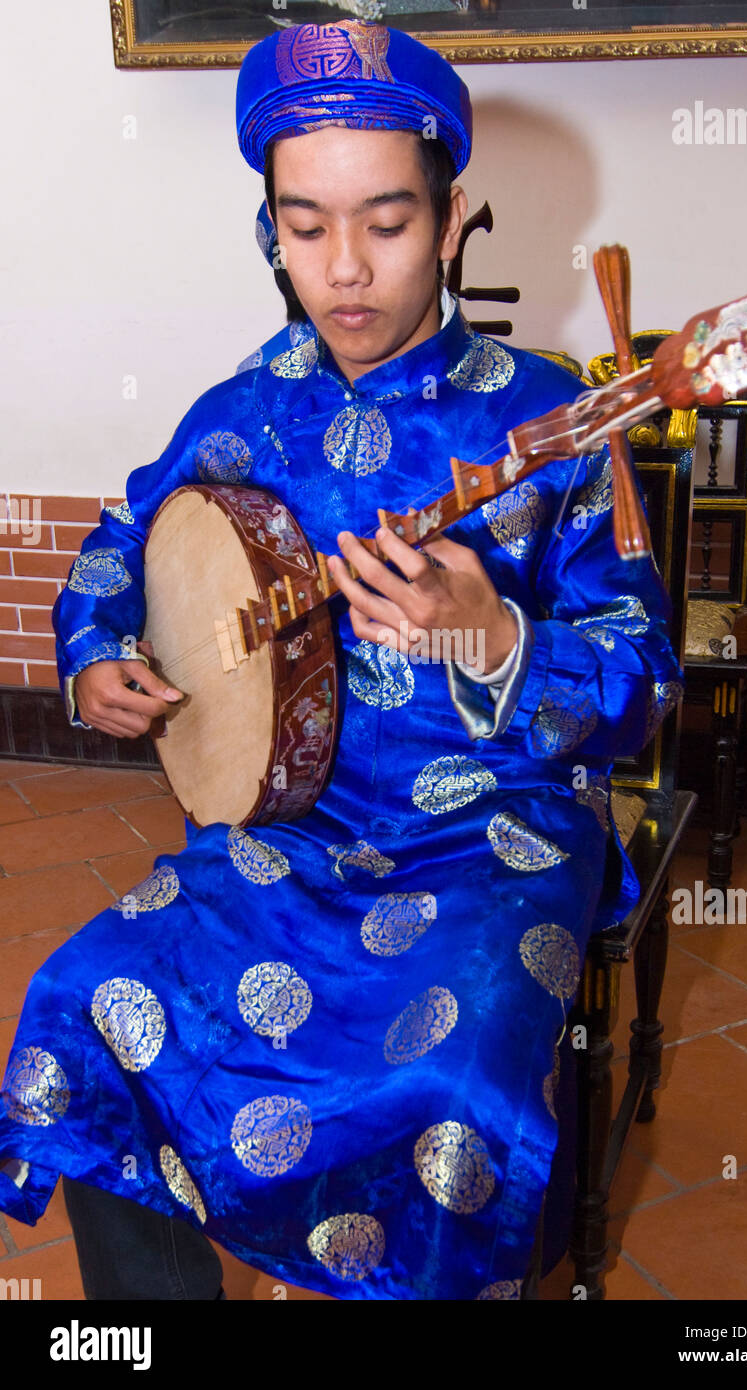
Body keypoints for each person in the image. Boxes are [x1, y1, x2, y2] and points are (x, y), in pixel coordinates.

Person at [0, 21, 682, 1301]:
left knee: (458, 1084)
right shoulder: (242, 414)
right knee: (87, 990)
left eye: (385, 221)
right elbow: (116, 543)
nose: (346, 268)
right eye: (305, 227)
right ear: (269, 228)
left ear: (451, 213)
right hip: (283, 831)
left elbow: (640, 685)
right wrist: (93, 651)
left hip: (493, 837)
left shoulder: (543, 420)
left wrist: (493, 634)